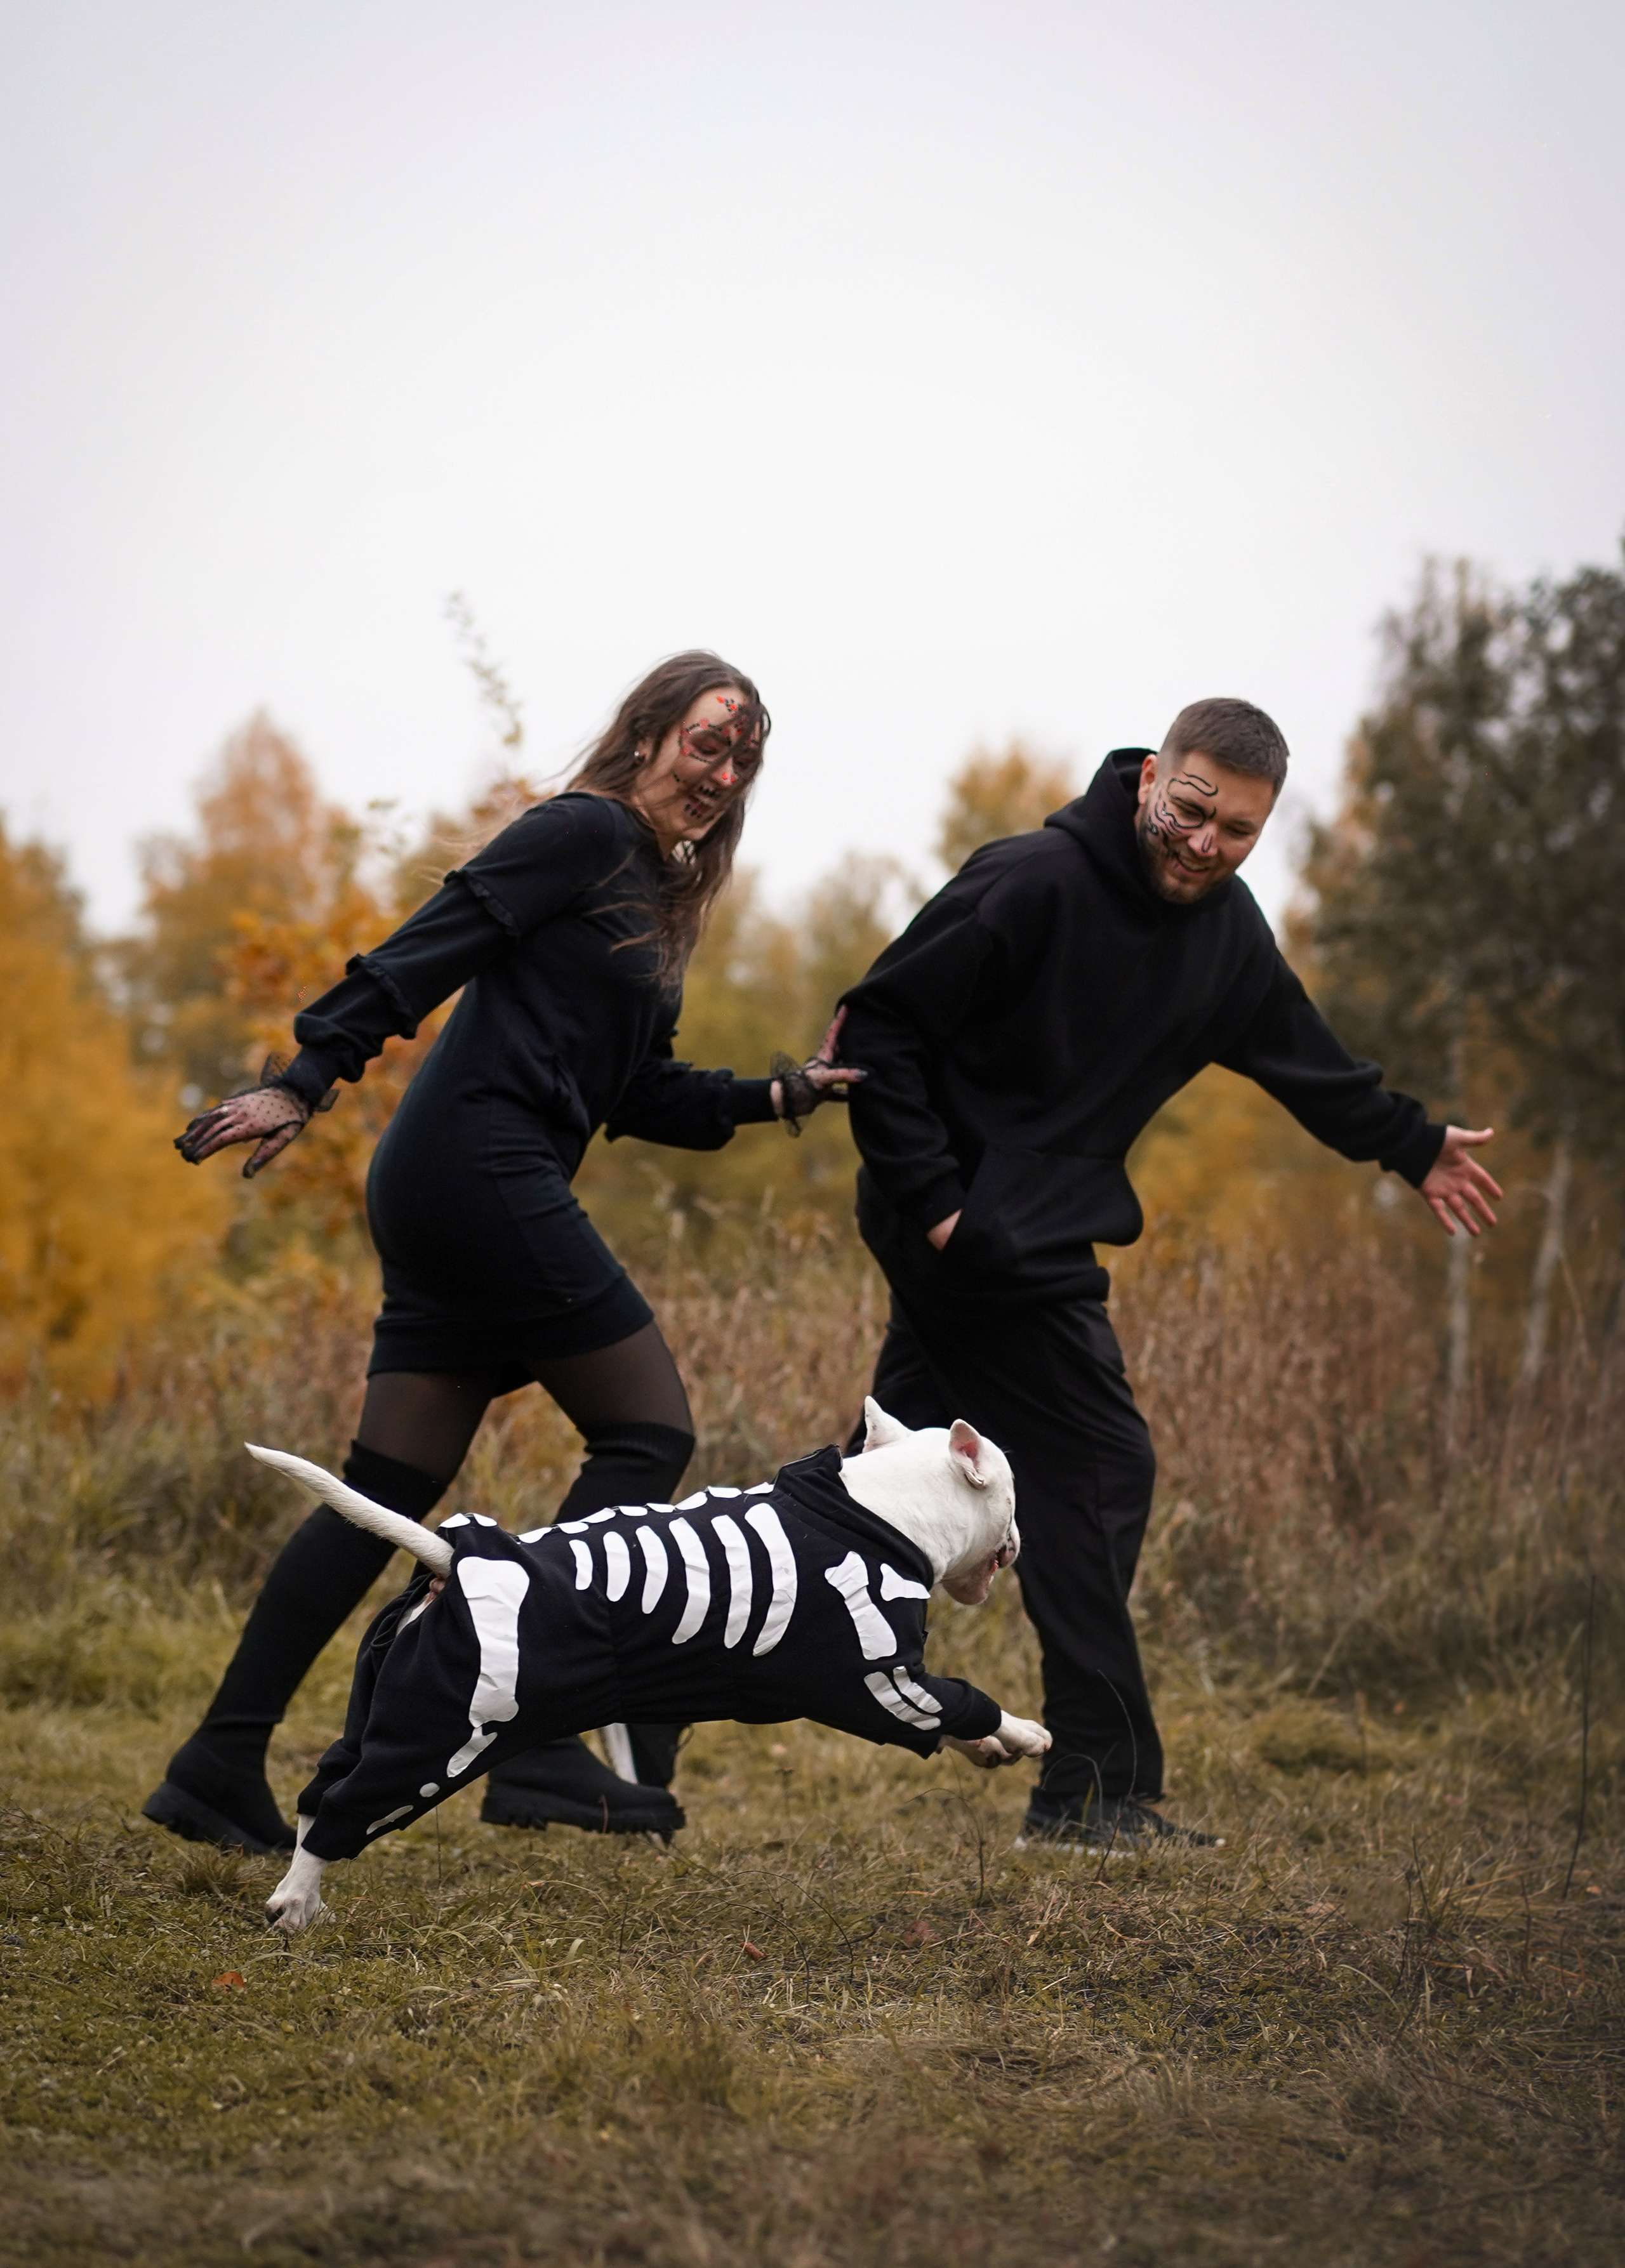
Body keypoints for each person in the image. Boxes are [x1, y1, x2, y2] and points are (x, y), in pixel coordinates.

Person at [145, 650, 859, 1856]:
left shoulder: (651, 890)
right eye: (707, 743)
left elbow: (639, 1090)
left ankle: (219, 1759)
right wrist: (308, 1076)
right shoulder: (584, 832)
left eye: (743, 761)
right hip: (478, 1169)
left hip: (459, 1182)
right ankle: (530, 1736)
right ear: (647, 733)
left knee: (385, 1490)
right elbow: (433, 943)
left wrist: (783, 1094)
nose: (722, 773)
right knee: (648, 1431)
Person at [837, 698, 1501, 1853]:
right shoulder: (1030, 881)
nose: (1205, 843)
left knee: (880, 1462)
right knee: (1100, 1464)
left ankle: (724, 1637)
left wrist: (1410, 1142)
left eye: (1237, 831)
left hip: (1032, 1229)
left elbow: (1304, 1057)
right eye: (1192, 810)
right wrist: (940, 1207)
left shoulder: (1226, 937)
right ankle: (1089, 1789)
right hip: (965, 1225)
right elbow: (872, 1029)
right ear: (1152, 777)